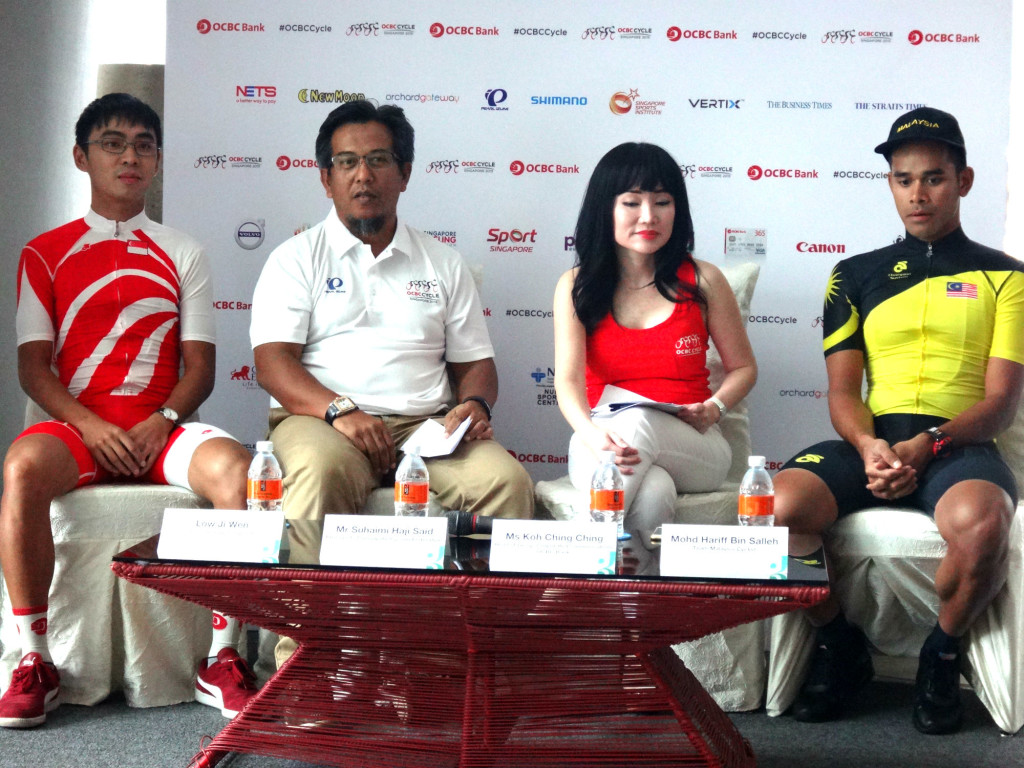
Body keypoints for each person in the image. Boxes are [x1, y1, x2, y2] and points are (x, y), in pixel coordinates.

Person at [0, 94, 259, 728]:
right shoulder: (43, 252)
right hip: (79, 430)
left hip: (163, 427)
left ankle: (221, 658)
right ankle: (34, 662)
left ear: (159, 159)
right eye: (113, 143)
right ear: (81, 157)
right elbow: (34, 367)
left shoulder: (185, 251)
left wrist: (161, 421)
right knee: (22, 468)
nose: (130, 156)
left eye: (144, 144)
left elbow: (199, 366)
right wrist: (91, 425)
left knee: (240, 474)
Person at [773, 107, 1024, 735]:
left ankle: (941, 654)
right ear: (890, 184)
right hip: (874, 440)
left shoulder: (1010, 277)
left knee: (984, 520)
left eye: (934, 177)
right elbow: (842, 392)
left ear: (963, 181)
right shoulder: (852, 274)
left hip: (959, 441)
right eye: (903, 179)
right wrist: (867, 446)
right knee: (774, 509)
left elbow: (1001, 403)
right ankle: (840, 645)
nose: (918, 193)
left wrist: (930, 442)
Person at [250, 99, 533, 542]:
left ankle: (473, 612)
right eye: (347, 162)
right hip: (324, 421)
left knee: (505, 482)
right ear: (326, 178)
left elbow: (476, 364)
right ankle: (308, 611)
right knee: (320, 471)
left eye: (378, 160)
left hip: (425, 427)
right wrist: (340, 410)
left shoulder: (443, 261)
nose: (363, 175)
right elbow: (272, 364)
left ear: (404, 173)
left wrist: (474, 405)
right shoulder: (294, 259)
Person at [553, 142, 757, 546]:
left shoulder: (703, 280)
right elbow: (568, 382)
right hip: (599, 442)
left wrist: (714, 409)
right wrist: (593, 436)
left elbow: (744, 368)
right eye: (631, 202)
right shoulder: (575, 286)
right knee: (654, 491)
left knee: (639, 423)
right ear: (604, 209)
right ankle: (633, 603)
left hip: (695, 445)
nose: (649, 216)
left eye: (662, 202)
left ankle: (577, 564)